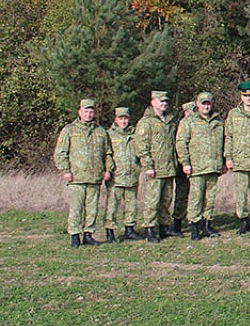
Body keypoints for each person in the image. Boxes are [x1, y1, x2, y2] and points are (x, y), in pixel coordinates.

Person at [55, 98, 113, 247]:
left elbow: (107, 153)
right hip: (76, 177)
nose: (88, 114)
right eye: (85, 111)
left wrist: (108, 169)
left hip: (95, 177)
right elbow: (60, 153)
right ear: (79, 112)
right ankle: (75, 235)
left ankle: (88, 234)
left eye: (91, 111)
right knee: (76, 208)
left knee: (92, 209)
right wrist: (65, 170)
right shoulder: (69, 130)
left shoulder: (101, 131)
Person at [176, 92, 225, 240]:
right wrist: (185, 162)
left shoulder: (218, 122)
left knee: (210, 199)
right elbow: (181, 143)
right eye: (203, 103)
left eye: (208, 103)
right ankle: (194, 226)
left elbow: (223, 143)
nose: (206, 106)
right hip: (197, 167)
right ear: (197, 104)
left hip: (213, 166)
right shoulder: (188, 122)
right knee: (196, 198)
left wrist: (223, 161)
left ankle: (207, 224)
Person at [136, 90, 181, 243]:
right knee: (152, 201)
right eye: (161, 101)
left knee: (166, 200)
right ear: (153, 102)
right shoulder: (146, 122)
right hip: (154, 169)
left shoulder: (170, 120)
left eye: (166, 101)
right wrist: (148, 166)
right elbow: (142, 147)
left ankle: (164, 227)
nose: (164, 104)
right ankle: (149, 228)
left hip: (168, 167)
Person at [225, 81, 250, 234]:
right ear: (241, 96)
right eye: (245, 95)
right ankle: (243, 221)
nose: (248, 98)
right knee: (241, 194)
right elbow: (228, 136)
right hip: (240, 160)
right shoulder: (233, 114)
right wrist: (228, 157)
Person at [104, 107, 143, 242]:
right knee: (112, 206)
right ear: (116, 119)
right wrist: (108, 170)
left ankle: (129, 230)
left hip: (132, 175)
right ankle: (110, 231)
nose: (124, 121)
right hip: (116, 176)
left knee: (131, 205)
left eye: (126, 118)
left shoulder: (135, 135)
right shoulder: (109, 135)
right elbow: (106, 154)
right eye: (121, 118)